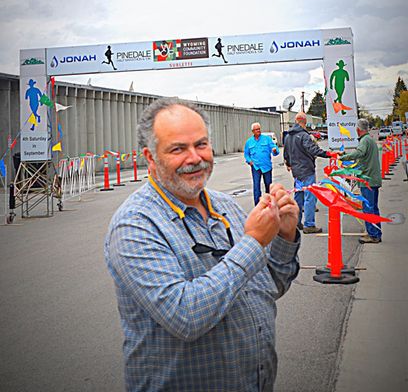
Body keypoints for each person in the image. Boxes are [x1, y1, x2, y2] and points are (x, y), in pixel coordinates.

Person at [105, 98, 300, 392]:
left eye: (201, 144)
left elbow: (269, 286)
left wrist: (284, 236)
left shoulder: (227, 207)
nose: (194, 157)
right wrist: (253, 241)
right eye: (177, 149)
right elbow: (186, 316)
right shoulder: (134, 225)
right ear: (150, 157)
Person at [284, 112, 334, 233]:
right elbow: (312, 149)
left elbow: (286, 153)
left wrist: (289, 164)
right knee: (310, 198)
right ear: (304, 122)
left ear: (296, 121)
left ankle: (296, 223)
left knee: (298, 197)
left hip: (296, 172)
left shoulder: (288, 136)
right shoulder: (304, 135)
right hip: (306, 170)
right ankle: (309, 225)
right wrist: (327, 154)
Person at [340, 118, 382, 243]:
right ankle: (376, 233)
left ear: (358, 130)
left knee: (368, 208)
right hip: (373, 179)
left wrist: (344, 157)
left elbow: (359, 153)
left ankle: (373, 235)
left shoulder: (364, 141)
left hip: (367, 180)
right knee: (373, 208)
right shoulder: (370, 140)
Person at [244, 123, 280, 205]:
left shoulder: (267, 139)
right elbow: (246, 154)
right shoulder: (249, 142)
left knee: (268, 185)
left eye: (259, 129)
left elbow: (275, 148)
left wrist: (275, 150)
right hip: (256, 167)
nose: (258, 131)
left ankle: (269, 203)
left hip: (266, 166)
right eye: (256, 129)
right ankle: (257, 205)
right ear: (253, 131)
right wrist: (249, 161)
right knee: (256, 186)